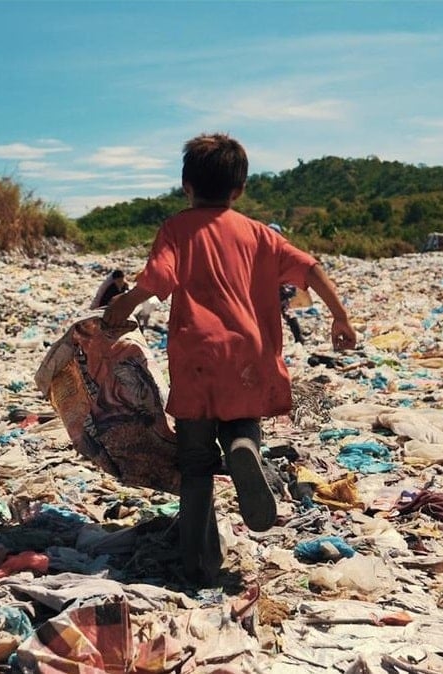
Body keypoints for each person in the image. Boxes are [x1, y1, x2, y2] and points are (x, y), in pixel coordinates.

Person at [103, 133, 356, 586]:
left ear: (186, 185)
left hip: (196, 356)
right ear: (239, 189)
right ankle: (244, 448)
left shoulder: (177, 229)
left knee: (196, 464)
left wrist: (122, 306)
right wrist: (340, 318)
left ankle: (197, 563)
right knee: (242, 425)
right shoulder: (260, 234)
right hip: (248, 356)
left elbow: (158, 279)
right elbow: (312, 269)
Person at [269, 223, 305, 344]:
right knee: (287, 313)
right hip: (280, 289)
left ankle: (296, 337)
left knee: (274, 315)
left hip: (276, 289)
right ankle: (298, 337)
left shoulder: (267, 250)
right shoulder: (283, 249)